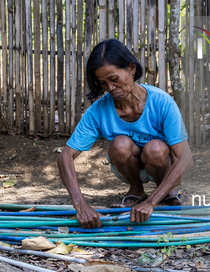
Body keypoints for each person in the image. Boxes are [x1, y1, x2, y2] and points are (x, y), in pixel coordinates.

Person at [57, 39, 193, 229]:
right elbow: (65, 156)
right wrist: (80, 205)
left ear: (131, 68)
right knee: (119, 144)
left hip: (162, 163)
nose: (110, 88)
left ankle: (165, 190)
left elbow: (185, 159)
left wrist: (151, 202)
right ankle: (136, 190)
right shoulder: (98, 111)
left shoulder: (162, 102)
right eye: (103, 83)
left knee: (155, 148)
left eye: (114, 79)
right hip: (130, 164)